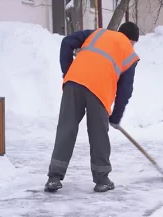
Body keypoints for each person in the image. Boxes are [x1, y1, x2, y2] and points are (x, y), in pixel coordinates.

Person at [44, 21, 140, 193]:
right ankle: (102, 179)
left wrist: (68, 72)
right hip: (99, 90)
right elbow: (125, 90)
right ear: (132, 40)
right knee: (98, 134)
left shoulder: (97, 33)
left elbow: (67, 42)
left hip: (73, 83)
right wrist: (116, 116)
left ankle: (54, 177)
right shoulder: (129, 52)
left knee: (66, 129)